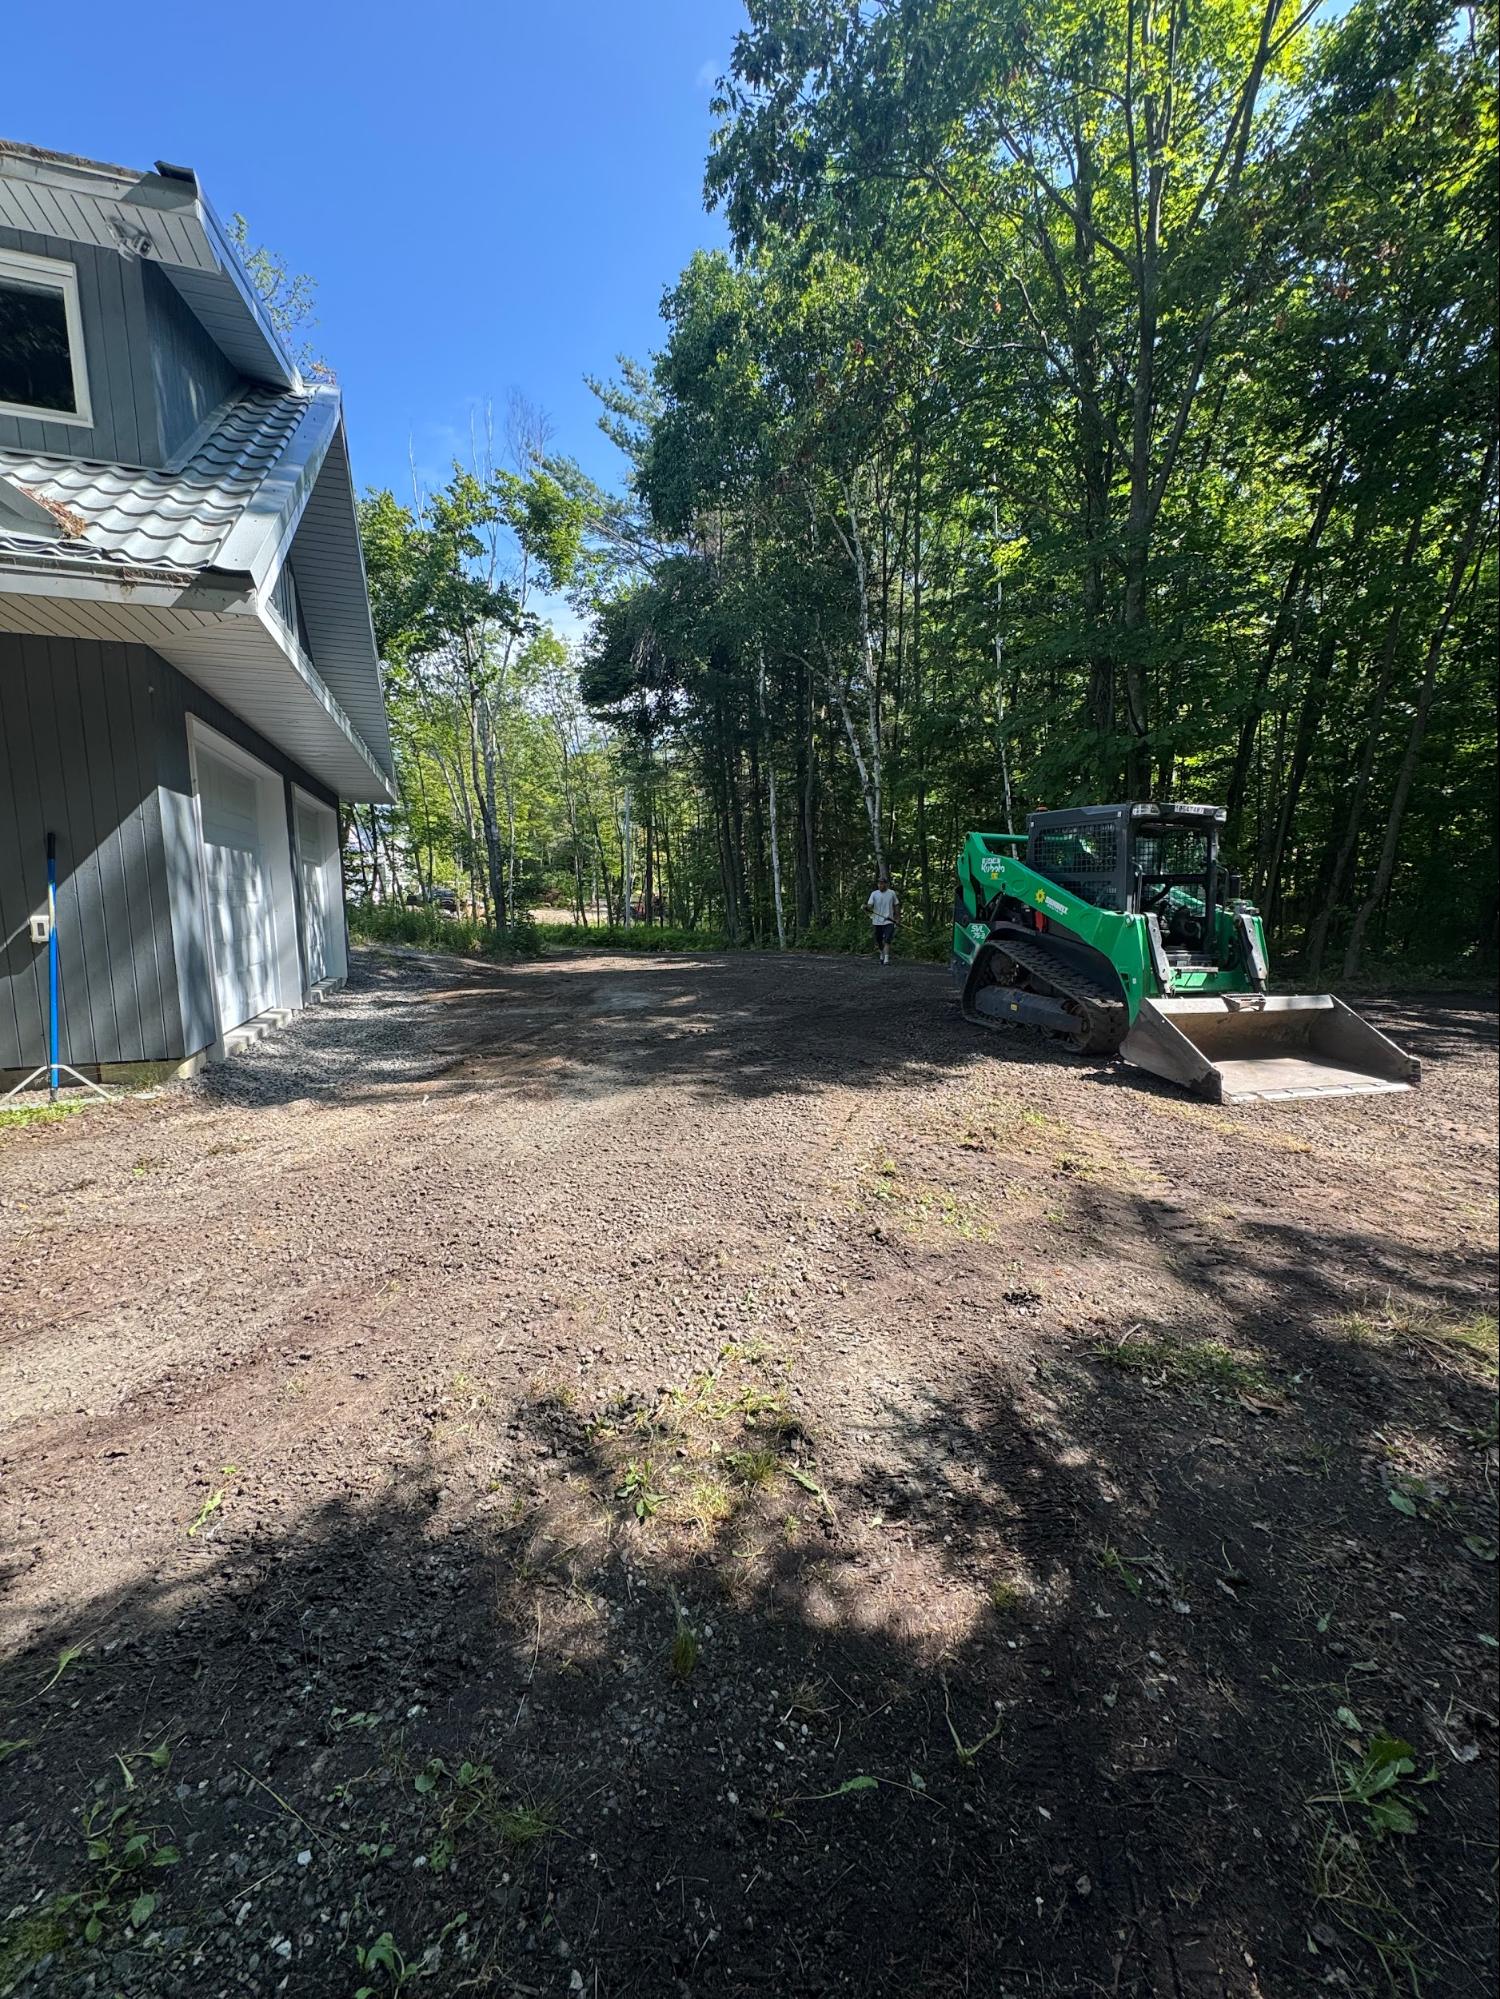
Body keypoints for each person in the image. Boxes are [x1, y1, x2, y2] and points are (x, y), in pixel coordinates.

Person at [867, 871, 900, 965]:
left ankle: (886, 959)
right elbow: (870, 905)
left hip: (889, 920)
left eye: (882, 883)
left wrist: (897, 918)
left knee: (887, 938)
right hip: (877, 921)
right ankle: (881, 953)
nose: (880, 885)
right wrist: (866, 907)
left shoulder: (892, 893)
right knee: (879, 940)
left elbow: (896, 905)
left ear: (886, 884)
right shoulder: (874, 894)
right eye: (879, 883)